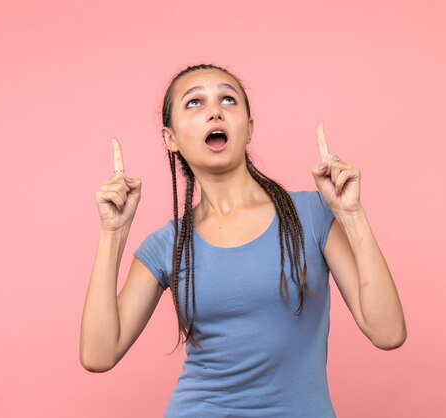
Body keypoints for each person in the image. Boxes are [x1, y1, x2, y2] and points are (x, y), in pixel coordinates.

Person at [80, 63, 406, 417]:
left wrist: (352, 213)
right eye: (194, 103)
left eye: (228, 99)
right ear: (169, 138)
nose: (215, 111)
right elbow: (99, 355)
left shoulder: (311, 214)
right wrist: (113, 232)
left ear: (249, 128)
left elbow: (387, 332)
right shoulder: (168, 244)